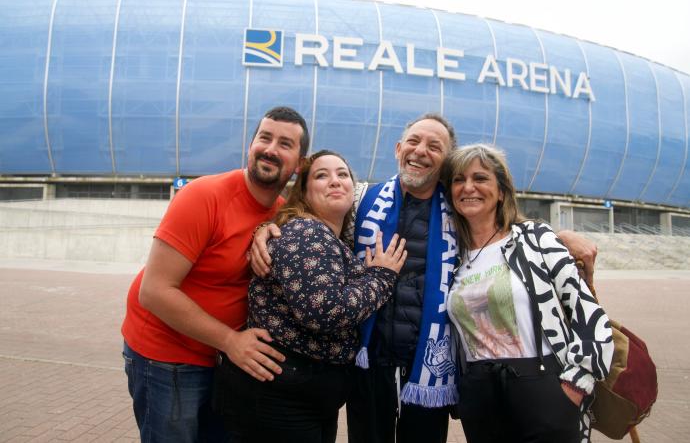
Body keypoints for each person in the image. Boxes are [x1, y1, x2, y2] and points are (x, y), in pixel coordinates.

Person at [250, 113, 600, 443]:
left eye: (434, 146)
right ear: (398, 149)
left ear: (446, 161)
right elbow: (313, 213)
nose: (420, 151)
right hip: (368, 361)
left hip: (431, 364)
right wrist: (267, 228)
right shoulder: (362, 199)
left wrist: (558, 236)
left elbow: (500, 228)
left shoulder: (460, 208)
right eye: (413, 142)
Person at [120, 106, 309, 443]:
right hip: (166, 360)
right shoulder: (204, 196)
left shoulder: (281, 216)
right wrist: (231, 341)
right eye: (264, 138)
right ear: (249, 146)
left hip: (222, 362)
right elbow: (155, 290)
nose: (270, 148)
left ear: (299, 163)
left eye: (285, 143)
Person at [216, 150, 407, 443]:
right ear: (304, 193)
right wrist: (382, 277)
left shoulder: (329, 237)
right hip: (279, 398)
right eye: (322, 175)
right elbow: (324, 312)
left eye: (342, 174)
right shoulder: (307, 232)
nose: (335, 181)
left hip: (301, 396)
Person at [443, 143, 613, 443]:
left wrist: (573, 387)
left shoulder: (536, 239)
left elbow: (586, 312)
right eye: (459, 179)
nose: (468, 187)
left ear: (502, 191)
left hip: (542, 386)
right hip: (480, 396)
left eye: (480, 178)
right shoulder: (452, 256)